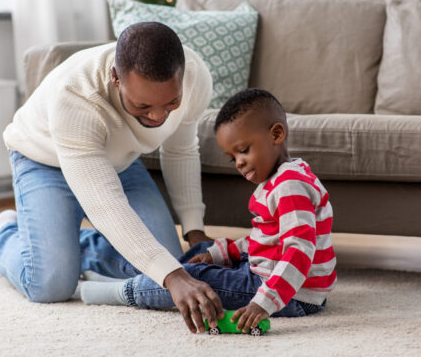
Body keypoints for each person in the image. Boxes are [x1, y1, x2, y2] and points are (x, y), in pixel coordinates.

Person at [0, 22, 224, 334]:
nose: (157, 116)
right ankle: (2, 235)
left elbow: (181, 151)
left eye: (170, 103)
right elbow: (105, 204)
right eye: (142, 105)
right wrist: (174, 276)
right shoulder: (76, 94)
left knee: (168, 260)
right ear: (115, 77)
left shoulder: (195, 76)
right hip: (44, 161)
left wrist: (195, 230)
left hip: (118, 162)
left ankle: (60, 246)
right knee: (50, 285)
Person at [80, 88, 337, 332]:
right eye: (232, 158)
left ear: (277, 134)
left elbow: (298, 249)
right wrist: (221, 253)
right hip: (272, 273)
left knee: (194, 278)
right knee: (202, 254)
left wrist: (264, 302)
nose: (239, 163)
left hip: (292, 295)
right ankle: (144, 277)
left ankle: (119, 292)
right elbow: (268, 239)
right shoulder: (285, 178)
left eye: (244, 150)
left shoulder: (290, 186)